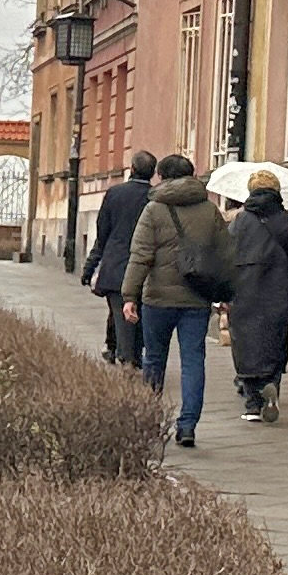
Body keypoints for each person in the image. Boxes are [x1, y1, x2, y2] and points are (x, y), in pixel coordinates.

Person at [120, 154, 227, 448]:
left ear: (162, 177)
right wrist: (224, 293)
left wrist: (129, 295)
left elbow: (140, 256)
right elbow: (224, 255)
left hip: (158, 298)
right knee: (193, 361)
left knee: (154, 358)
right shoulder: (209, 210)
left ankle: (151, 418)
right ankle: (188, 425)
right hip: (197, 298)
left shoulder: (154, 209)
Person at [226, 178, 288, 424]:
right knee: (275, 342)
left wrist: (227, 289)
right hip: (280, 294)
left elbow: (224, 257)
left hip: (244, 294)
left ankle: (252, 404)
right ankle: (271, 384)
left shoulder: (239, 223)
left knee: (244, 345)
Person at [84, 151, 158, 366]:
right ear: (153, 173)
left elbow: (102, 233)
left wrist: (91, 266)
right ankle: (130, 353)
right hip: (146, 266)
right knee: (139, 314)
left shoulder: (114, 193)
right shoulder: (155, 197)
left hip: (116, 265)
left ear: (132, 169)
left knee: (120, 313)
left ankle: (125, 357)